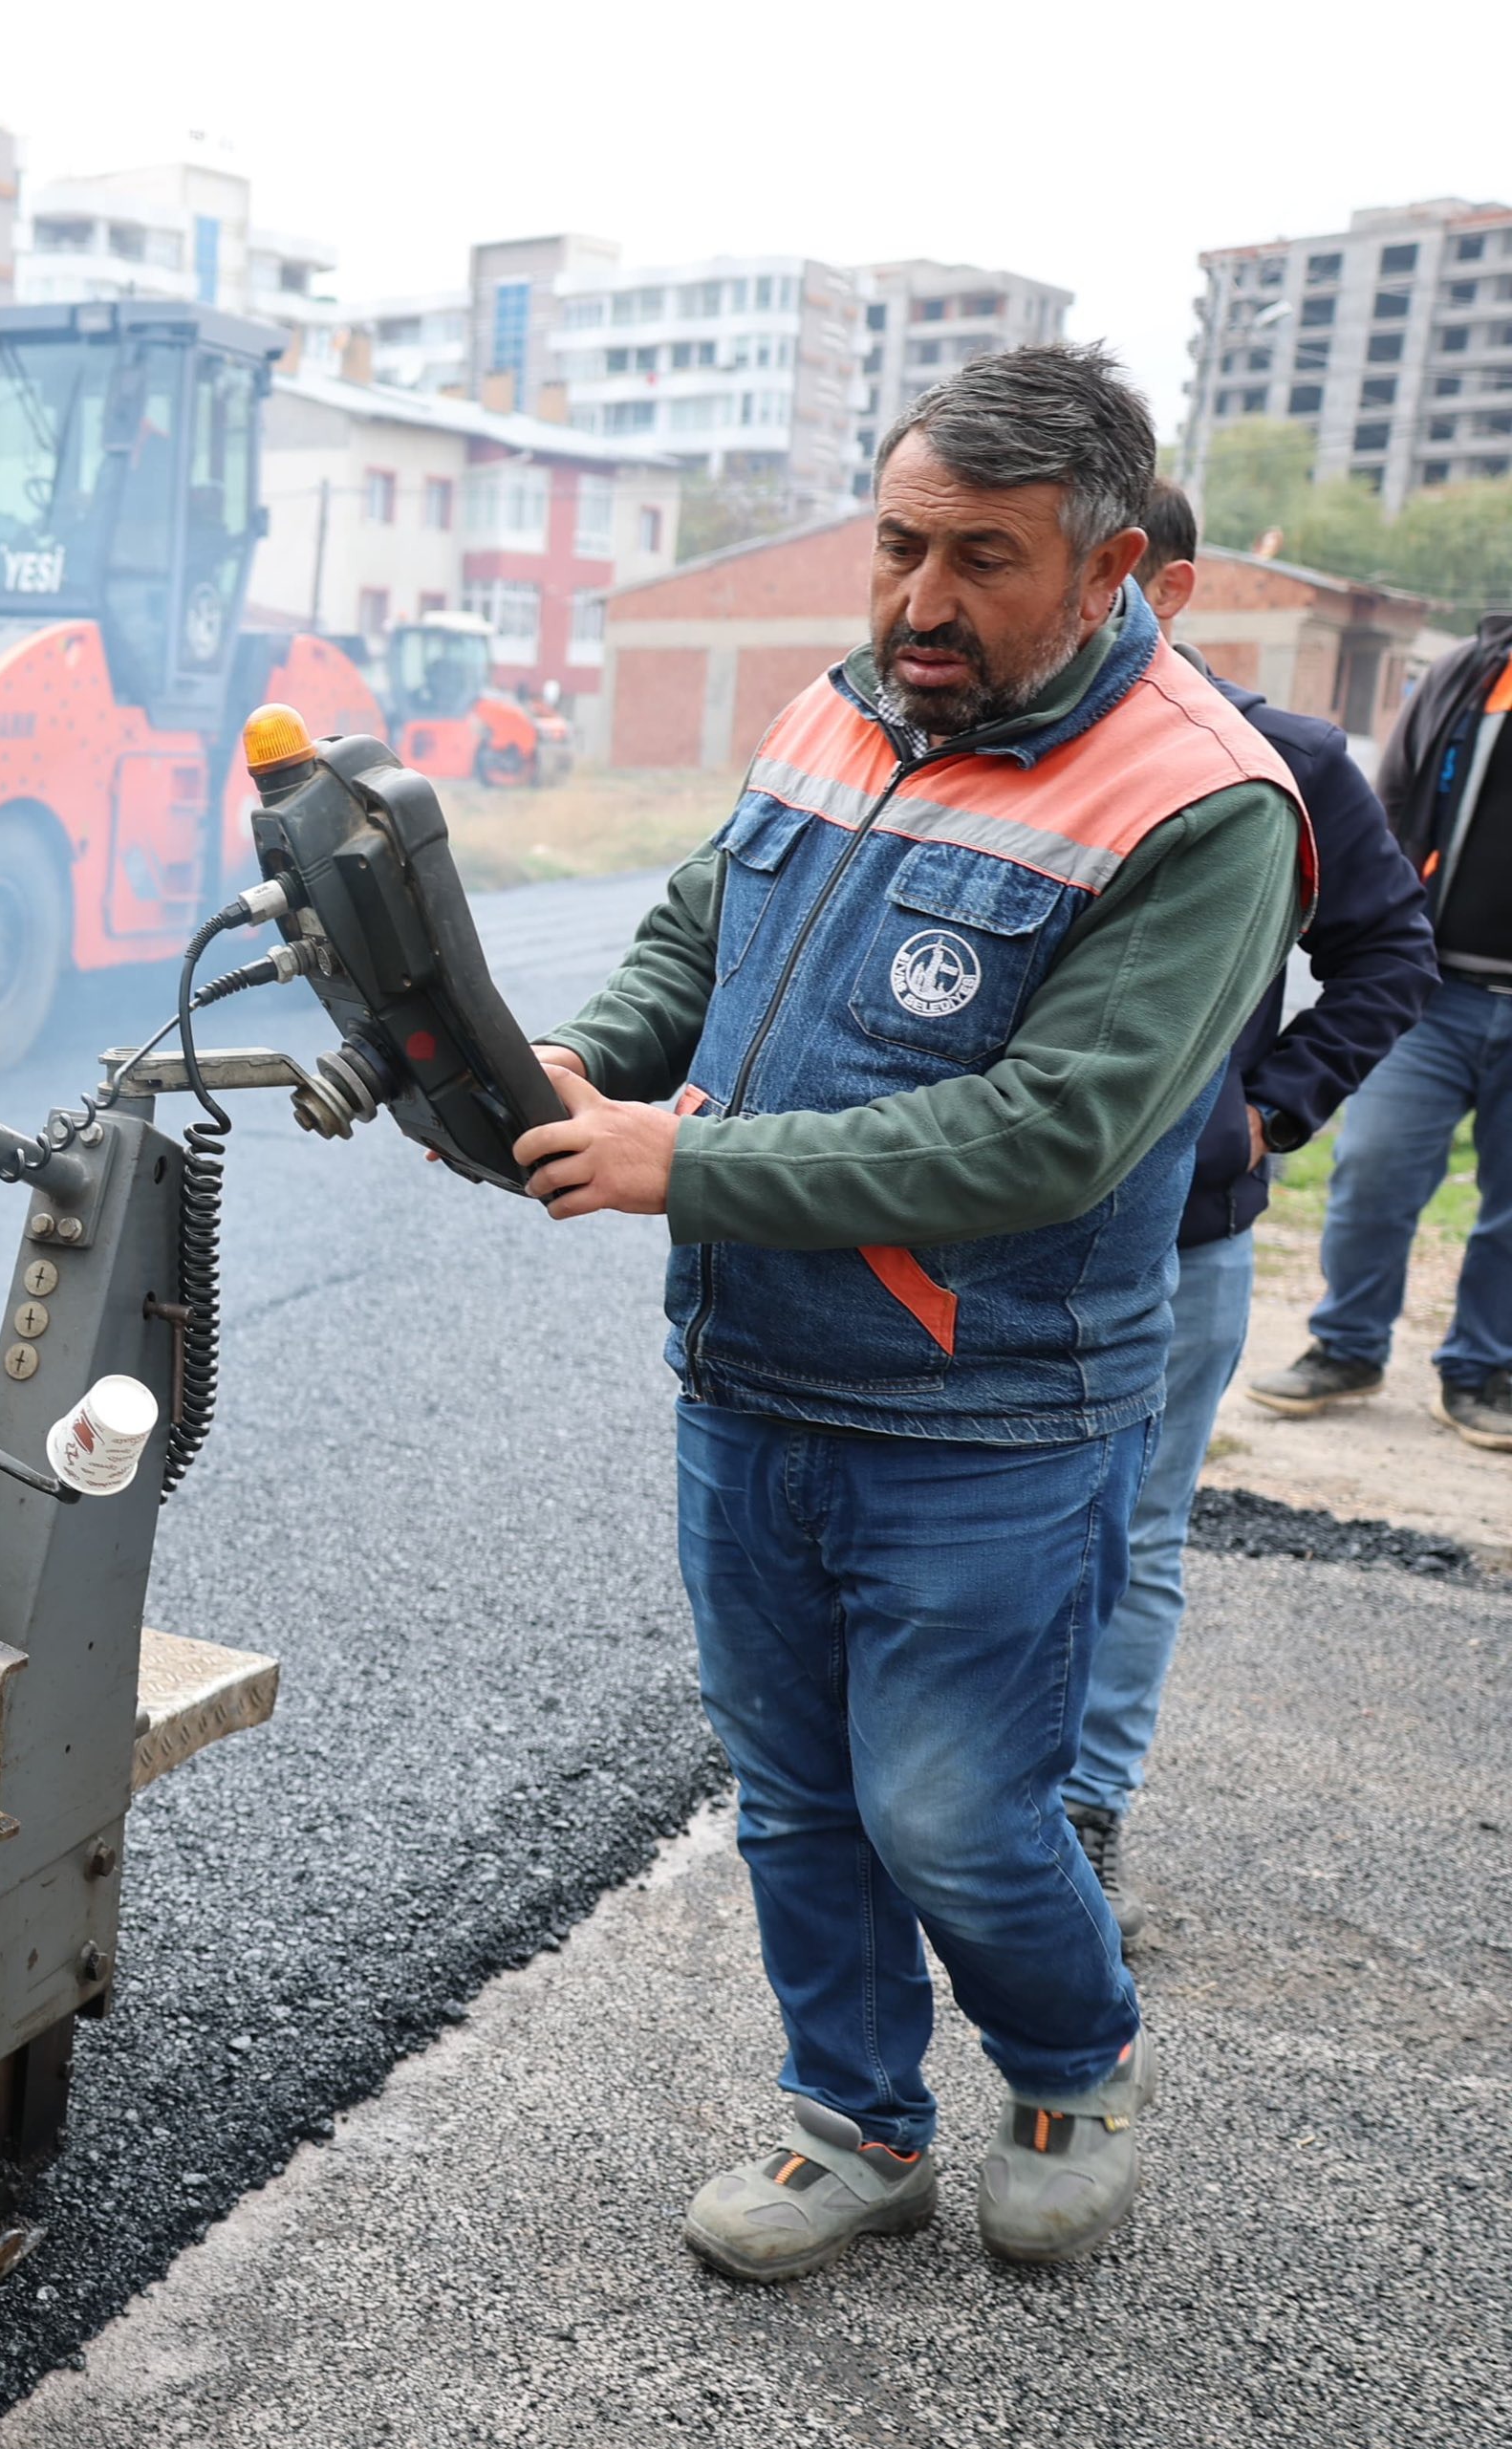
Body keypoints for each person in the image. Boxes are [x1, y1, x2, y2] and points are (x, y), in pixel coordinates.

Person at [514, 346, 1310, 2283]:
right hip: (748, 1380)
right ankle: (851, 2125)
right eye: (893, 546)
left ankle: (1067, 2069)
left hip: (985, 1426)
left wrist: (675, 1171)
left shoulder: (1204, 813)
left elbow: (1045, 1138)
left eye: (980, 559)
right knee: (791, 1802)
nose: (918, 602)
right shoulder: (840, 706)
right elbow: (700, 940)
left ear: (1111, 564)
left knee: (950, 1815)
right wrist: (569, 1066)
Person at [1061, 489, 1433, 1936]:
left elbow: (1390, 953)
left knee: (1132, 1531)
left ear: (1168, 581)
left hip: (1181, 1235)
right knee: (964, 1524)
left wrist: (1261, 1111)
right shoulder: (986, 753)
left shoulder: (1279, 761)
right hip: (975, 1230)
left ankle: (1083, 1811)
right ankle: (947, 1807)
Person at [1249, 598, 1512, 1446]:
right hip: (1438, 991)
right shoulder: (1474, 672)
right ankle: (1347, 1347)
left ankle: (1482, 1370)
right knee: (1372, 1173)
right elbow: (1392, 802)